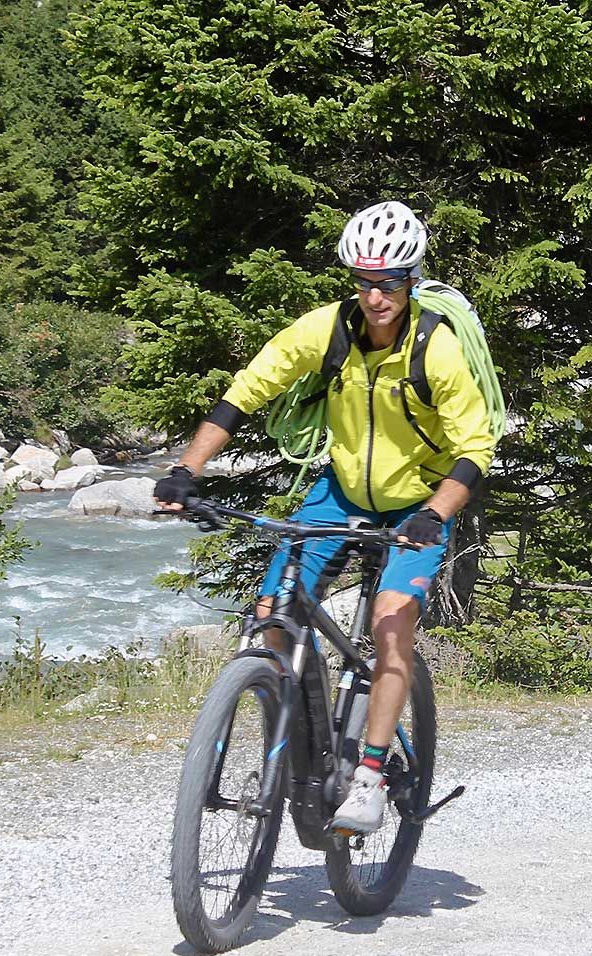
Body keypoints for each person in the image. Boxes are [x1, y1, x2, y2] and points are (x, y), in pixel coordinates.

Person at [154, 200, 499, 834]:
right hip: (341, 491)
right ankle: (296, 729)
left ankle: (369, 773)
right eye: (365, 281)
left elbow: (475, 448)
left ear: (411, 281)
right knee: (273, 614)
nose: (376, 296)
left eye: (390, 282)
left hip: (421, 500)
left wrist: (435, 512)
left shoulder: (437, 349)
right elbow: (247, 390)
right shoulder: (329, 328)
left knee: (391, 622)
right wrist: (188, 470)